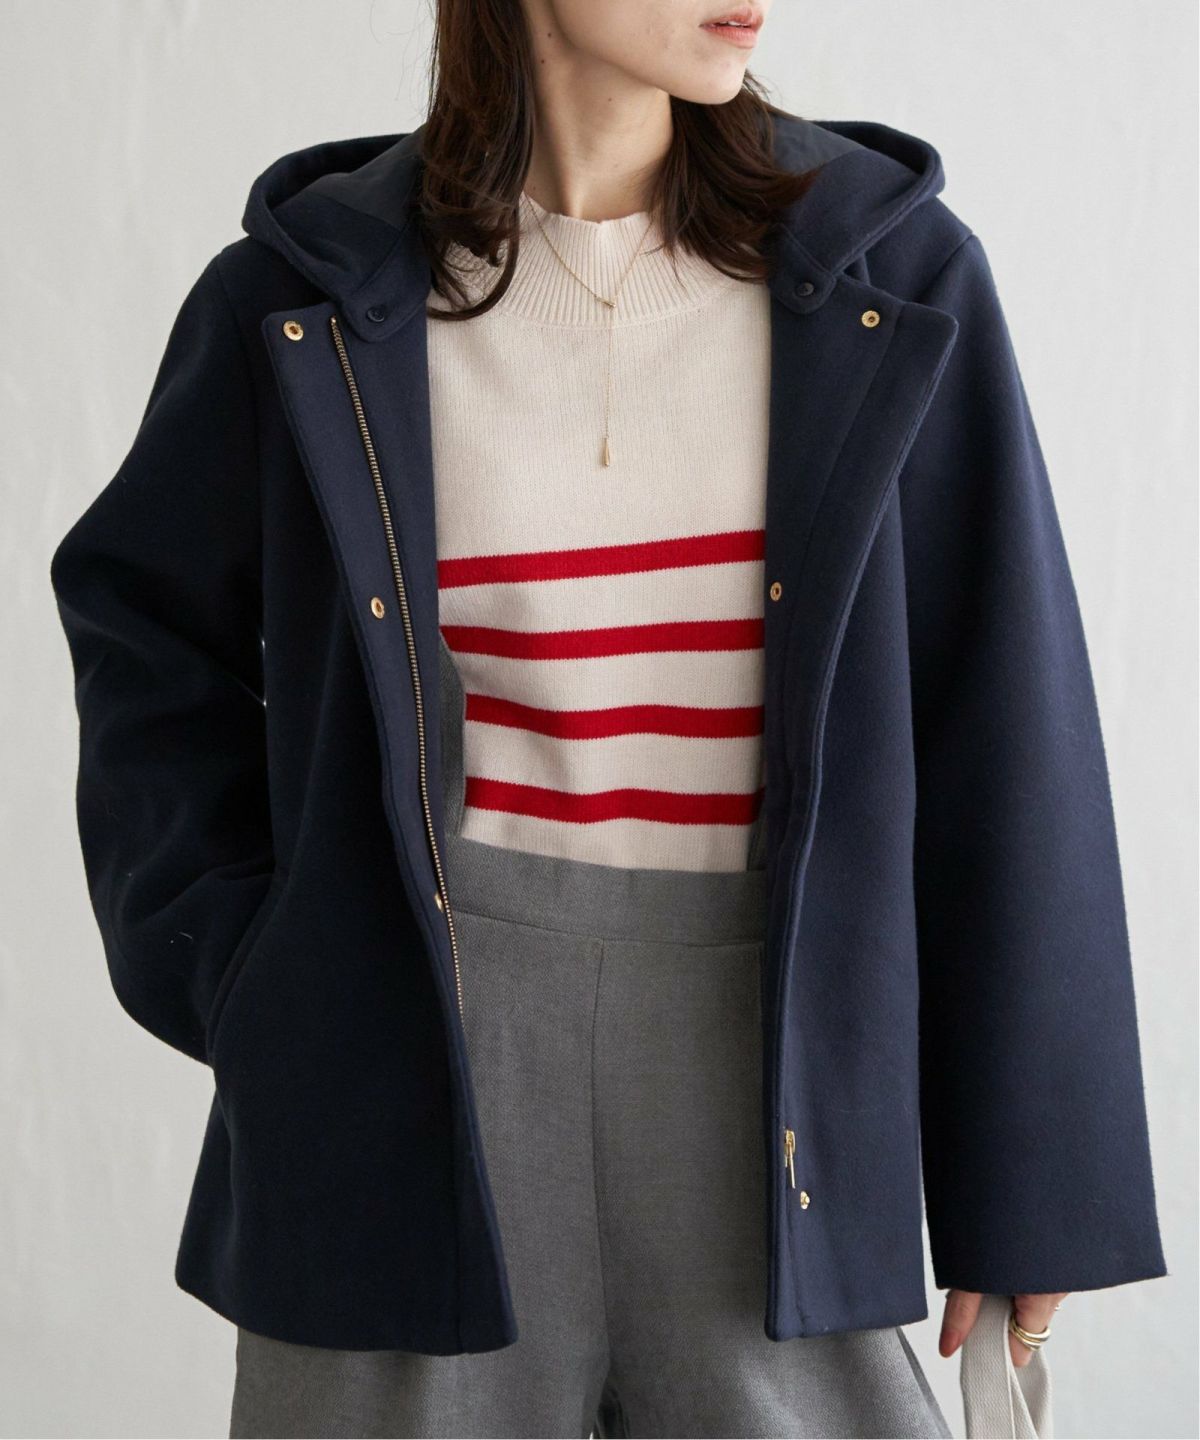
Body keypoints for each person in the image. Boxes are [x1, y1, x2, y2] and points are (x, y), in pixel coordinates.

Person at [49, 0, 1167, 1436]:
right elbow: (146, 632)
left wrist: (1033, 1181)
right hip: (407, 1081)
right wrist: (248, 969)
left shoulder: (887, 275)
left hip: (774, 1080)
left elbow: (1001, 713)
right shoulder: (308, 293)